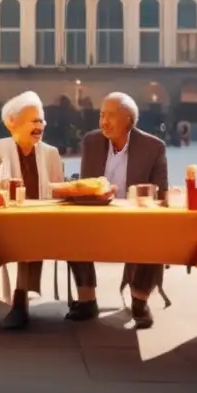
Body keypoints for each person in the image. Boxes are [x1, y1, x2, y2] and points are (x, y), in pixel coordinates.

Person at [70, 92, 168, 329]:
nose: (104, 121)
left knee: (155, 232)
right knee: (69, 228)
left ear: (129, 119)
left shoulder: (153, 147)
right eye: (102, 115)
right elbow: (87, 184)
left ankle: (139, 301)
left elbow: (161, 193)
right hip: (97, 216)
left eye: (111, 116)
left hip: (136, 219)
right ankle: (87, 300)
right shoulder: (92, 142)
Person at [0, 91, 66, 330]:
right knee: (13, 236)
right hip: (8, 220)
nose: (39, 126)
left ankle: (20, 300)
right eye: (33, 121)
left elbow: (59, 192)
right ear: (12, 124)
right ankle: (14, 299)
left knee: (32, 234)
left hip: (41, 220)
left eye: (41, 121)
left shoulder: (50, 153)